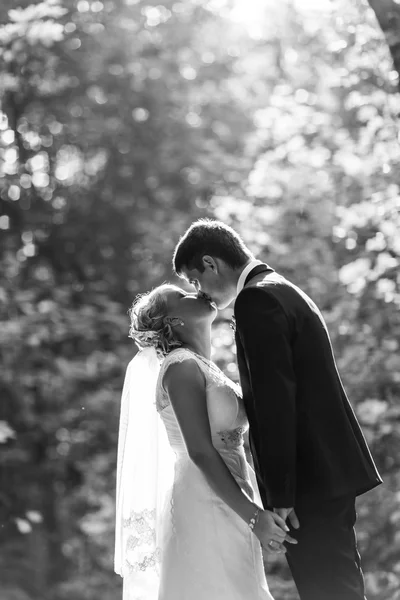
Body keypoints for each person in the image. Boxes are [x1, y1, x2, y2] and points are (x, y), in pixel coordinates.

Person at [172, 219, 383, 600]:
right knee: (341, 585)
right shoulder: (282, 289)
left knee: (329, 590)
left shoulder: (257, 300)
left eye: (195, 280)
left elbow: (275, 403)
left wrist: (281, 494)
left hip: (307, 480)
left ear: (210, 263)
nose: (200, 293)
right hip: (327, 469)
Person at [114, 283, 297, 600]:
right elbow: (199, 450)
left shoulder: (203, 366)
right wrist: (254, 517)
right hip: (205, 497)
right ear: (174, 321)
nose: (194, 293)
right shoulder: (180, 366)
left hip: (231, 495)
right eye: (181, 296)